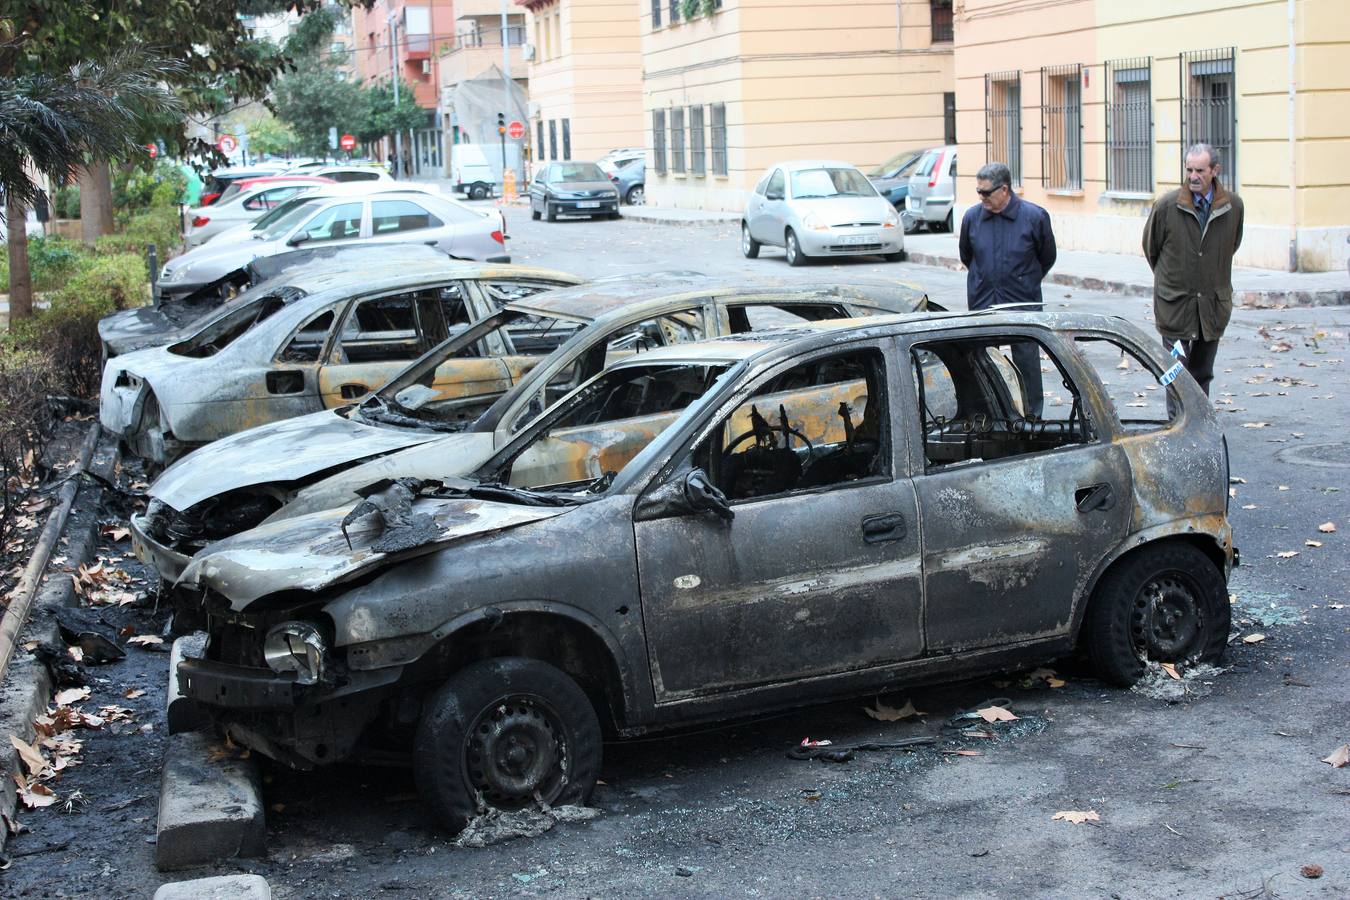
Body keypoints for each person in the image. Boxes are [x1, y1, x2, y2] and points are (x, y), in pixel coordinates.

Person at [1142, 143, 1244, 397]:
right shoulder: (1166, 206)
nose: (1193, 177)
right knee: (1176, 374)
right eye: (1189, 170)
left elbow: (1231, 246)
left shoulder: (1233, 206)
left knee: (1202, 373)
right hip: (1175, 306)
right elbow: (1151, 249)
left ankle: (1200, 427)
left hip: (1211, 306)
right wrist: (1174, 278)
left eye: (1200, 170)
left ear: (1215, 170)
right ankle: (1179, 429)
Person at [958, 161, 1058, 418]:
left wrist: (1025, 281)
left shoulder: (1034, 217)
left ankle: (1032, 418)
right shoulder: (972, 217)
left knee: (1026, 363)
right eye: (978, 192)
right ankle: (992, 417)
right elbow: (967, 256)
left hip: (1021, 302)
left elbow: (1046, 257)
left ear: (1004, 190)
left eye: (986, 192)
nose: (981, 198)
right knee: (985, 362)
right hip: (984, 303)